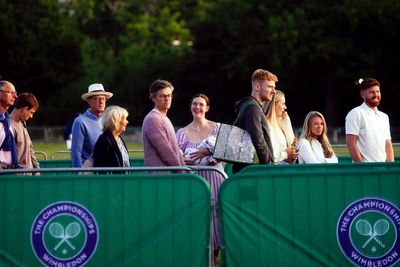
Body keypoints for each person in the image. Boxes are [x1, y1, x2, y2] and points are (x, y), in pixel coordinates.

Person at [176, 94, 225, 259]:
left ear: (207, 108)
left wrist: (206, 152)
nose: (197, 107)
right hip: (195, 181)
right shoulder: (182, 133)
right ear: (191, 106)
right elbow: (177, 156)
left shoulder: (217, 127)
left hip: (215, 177)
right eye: (195, 104)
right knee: (200, 217)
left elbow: (226, 152)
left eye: (201, 104)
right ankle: (204, 258)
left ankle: (216, 254)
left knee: (218, 216)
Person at [232, 69, 276, 173]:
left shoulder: (252, 106)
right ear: (257, 87)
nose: (274, 91)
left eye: (274, 87)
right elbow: (258, 140)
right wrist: (268, 164)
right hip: (253, 171)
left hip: (250, 169)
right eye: (270, 87)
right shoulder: (253, 108)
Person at [345, 78, 394, 162]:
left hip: (384, 170)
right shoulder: (356, 113)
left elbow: (388, 145)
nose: (376, 95)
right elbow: (351, 144)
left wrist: (390, 168)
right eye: (371, 92)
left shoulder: (384, 117)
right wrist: (362, 168)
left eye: (377, 91)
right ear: (362, 94)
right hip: (365, 171)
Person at [142, 79, 185, 167]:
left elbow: (174, 149)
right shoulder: (153, 119)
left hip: (167, 176)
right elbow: (167, 153)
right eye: (162, 96)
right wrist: (183, 172)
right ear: (153, 98)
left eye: (169, 95)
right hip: (160, 177)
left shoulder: (164, 117)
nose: (167, 99)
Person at [71, 83, 113, 167]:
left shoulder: (107, 119)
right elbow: (76, 152)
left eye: (103, 99)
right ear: (89, 101)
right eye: (96, 98)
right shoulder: (80, 122)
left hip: (105, 170)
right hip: (88, 172)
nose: (101, 101)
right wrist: (79, 174)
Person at [266, 90, 298, 163]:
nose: (285, 107)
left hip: (284, 168)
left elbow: (293, 147)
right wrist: (286, 155)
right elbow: (269, 156)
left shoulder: (278, 125)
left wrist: (287, 124)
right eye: (283, 104)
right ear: (274, 104)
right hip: (275, 170)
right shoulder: (266, 126)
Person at [10, 93, 40, 170]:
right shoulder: (7, 126)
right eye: (31, 112)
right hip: (17, 178)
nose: (31, 116)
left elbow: (30, 148)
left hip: (28, 176)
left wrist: (36, 168)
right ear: (24, 109)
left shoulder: (23, 123)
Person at [0, 80, 18, 169]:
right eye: (10, 92)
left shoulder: (6, 119)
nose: (15, 96)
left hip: (8, 170)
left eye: (14, 93)